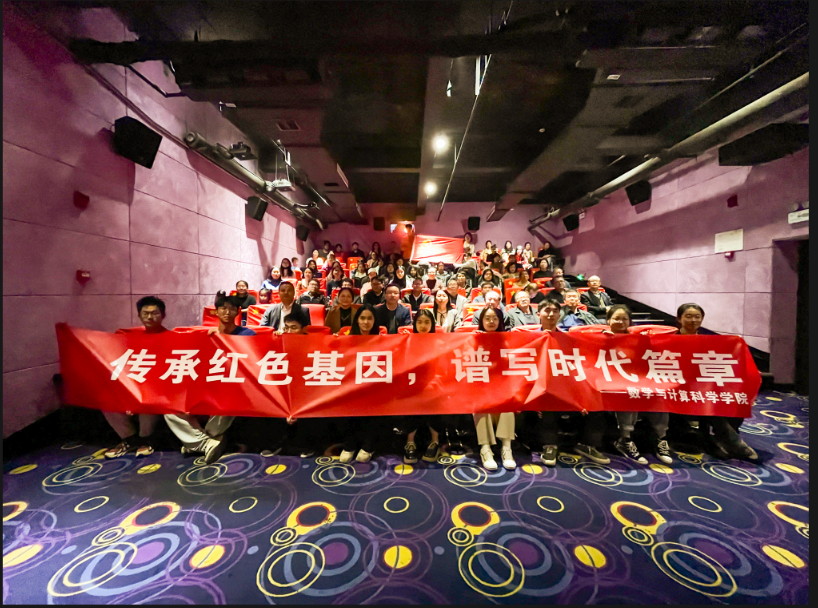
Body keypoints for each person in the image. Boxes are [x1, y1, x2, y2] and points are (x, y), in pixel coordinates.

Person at [165, 292, 255, 464]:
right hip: (204, 387)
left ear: (238, 312)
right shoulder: (205, 336)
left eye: (231, 309)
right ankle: (208, 443)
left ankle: (197, 442)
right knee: (170, 409)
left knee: (229, 401)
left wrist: (222, 338)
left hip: (232, 386)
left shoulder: (248, 334)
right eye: (223, 308)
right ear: (216, 312)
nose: (227, 312)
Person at [677, 303, 758, 461]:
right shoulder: (668, 339)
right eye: (688, 316)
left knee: (736, 396)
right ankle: (729, 441)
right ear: (679, 319)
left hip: (704, 384)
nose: (693, 320)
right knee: (708, 400)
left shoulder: (709, 341)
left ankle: (723, 437)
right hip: (678, 386)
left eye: (697, 317)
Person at [536, 298, 610, 467]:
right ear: (538, 314)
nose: (551, 314)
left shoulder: (569, 338)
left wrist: (580, 395)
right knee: (548, 399)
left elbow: (576, 368)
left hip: (565, 385)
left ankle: (587, 445)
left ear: (559, 314)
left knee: (595, 401)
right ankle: (550, 445)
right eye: (547, 310)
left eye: (555, 311)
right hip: (540, 387)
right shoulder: (528, 338)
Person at [605, 305, 672, 466]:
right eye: (616, 318)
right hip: (609, 380)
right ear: (608, 320)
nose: (620, 322)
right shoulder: (599, 336)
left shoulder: (637, 338)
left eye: (624, 319)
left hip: (636, 378)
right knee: (629, 393)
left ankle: (660, 438)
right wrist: (604, 336)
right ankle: (625, 439)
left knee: (659, 393)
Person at [103, 296, 166, 459]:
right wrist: (128, 397)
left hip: (157, 390)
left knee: (147, 400)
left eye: (155, 313)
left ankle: (146, 440)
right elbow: (123, 369)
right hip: (133, 386)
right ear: (139, 315)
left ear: (163, 315)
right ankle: (129, 439)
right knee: (106, 400)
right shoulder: (129, 337)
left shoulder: (171, 338)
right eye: (145, 313)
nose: (150, 317)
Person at [401, 309, 449, 463]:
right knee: (412, 397)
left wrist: (433, 382)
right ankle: (410, 442)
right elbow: (403, 367)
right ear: (414, 324)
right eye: (420, 322)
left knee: (433, 395)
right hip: (413, 384)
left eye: (427, 322)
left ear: (432, 324)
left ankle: (435, 441)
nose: (423, 325)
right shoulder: (408, 341)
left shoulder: (439, 343)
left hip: (434, 384)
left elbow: (443, 369)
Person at [338, 304, 382, 463]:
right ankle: (349, 445)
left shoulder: (383, 341)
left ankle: (369, 446)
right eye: (362, 318)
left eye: (370, 318)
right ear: (357, 320)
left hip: (374, 387)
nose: (366, 322)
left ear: (374, 321)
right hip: (351, 385)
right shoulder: (346, 339)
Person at [473, 306, 516, 471]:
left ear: (500, 321)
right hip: (480, 386)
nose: (491, 321)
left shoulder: (508, 339)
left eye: (494, 318)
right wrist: (476, 341)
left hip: (502, 385)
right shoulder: (473, 338)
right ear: (481, 321)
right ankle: (485, 449)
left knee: (507, 403)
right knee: (480, 404)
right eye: (487, 318)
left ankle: (506, 447)